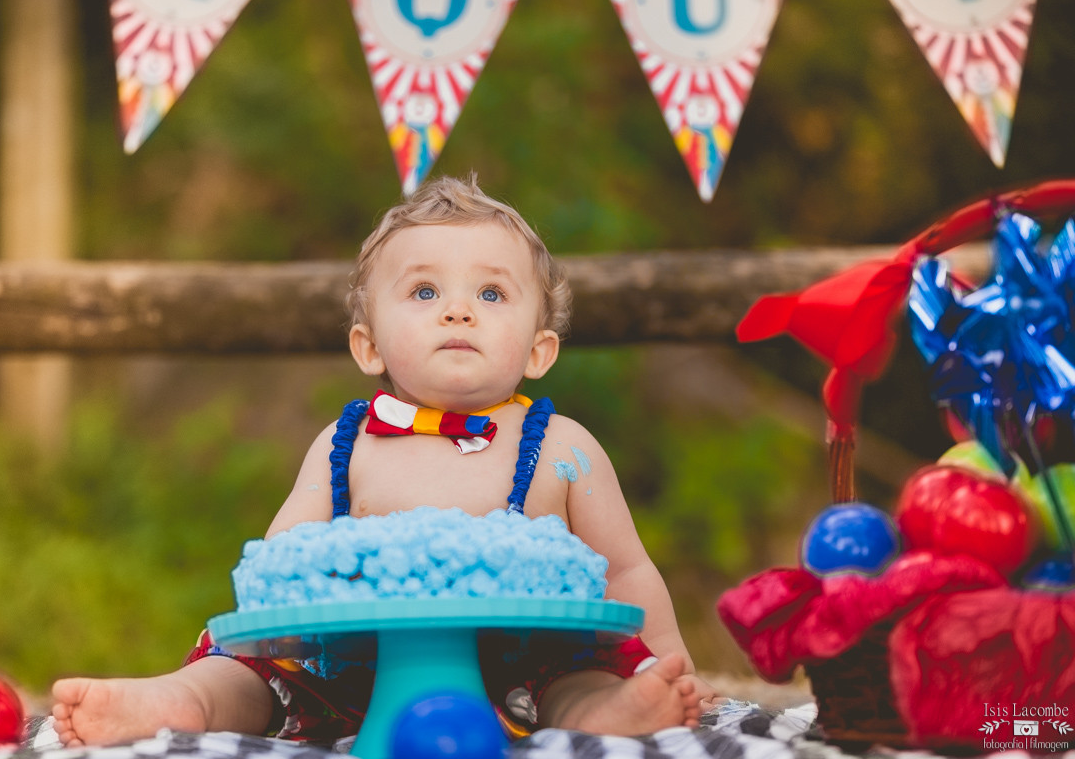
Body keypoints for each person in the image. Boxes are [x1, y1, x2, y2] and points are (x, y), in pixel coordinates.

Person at [51, 175, 717, 748]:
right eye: (425, 293)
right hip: (344, 667)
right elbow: (284, 560)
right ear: (368, 346)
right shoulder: (347, 443)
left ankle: (612, 715)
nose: (458, 311)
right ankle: (179, 704)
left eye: (491, 295)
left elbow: (627, 567)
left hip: (522, 664)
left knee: (576, 681)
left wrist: (669, 660)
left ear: (540, 351)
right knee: (242, 675)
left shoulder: (561, 448)